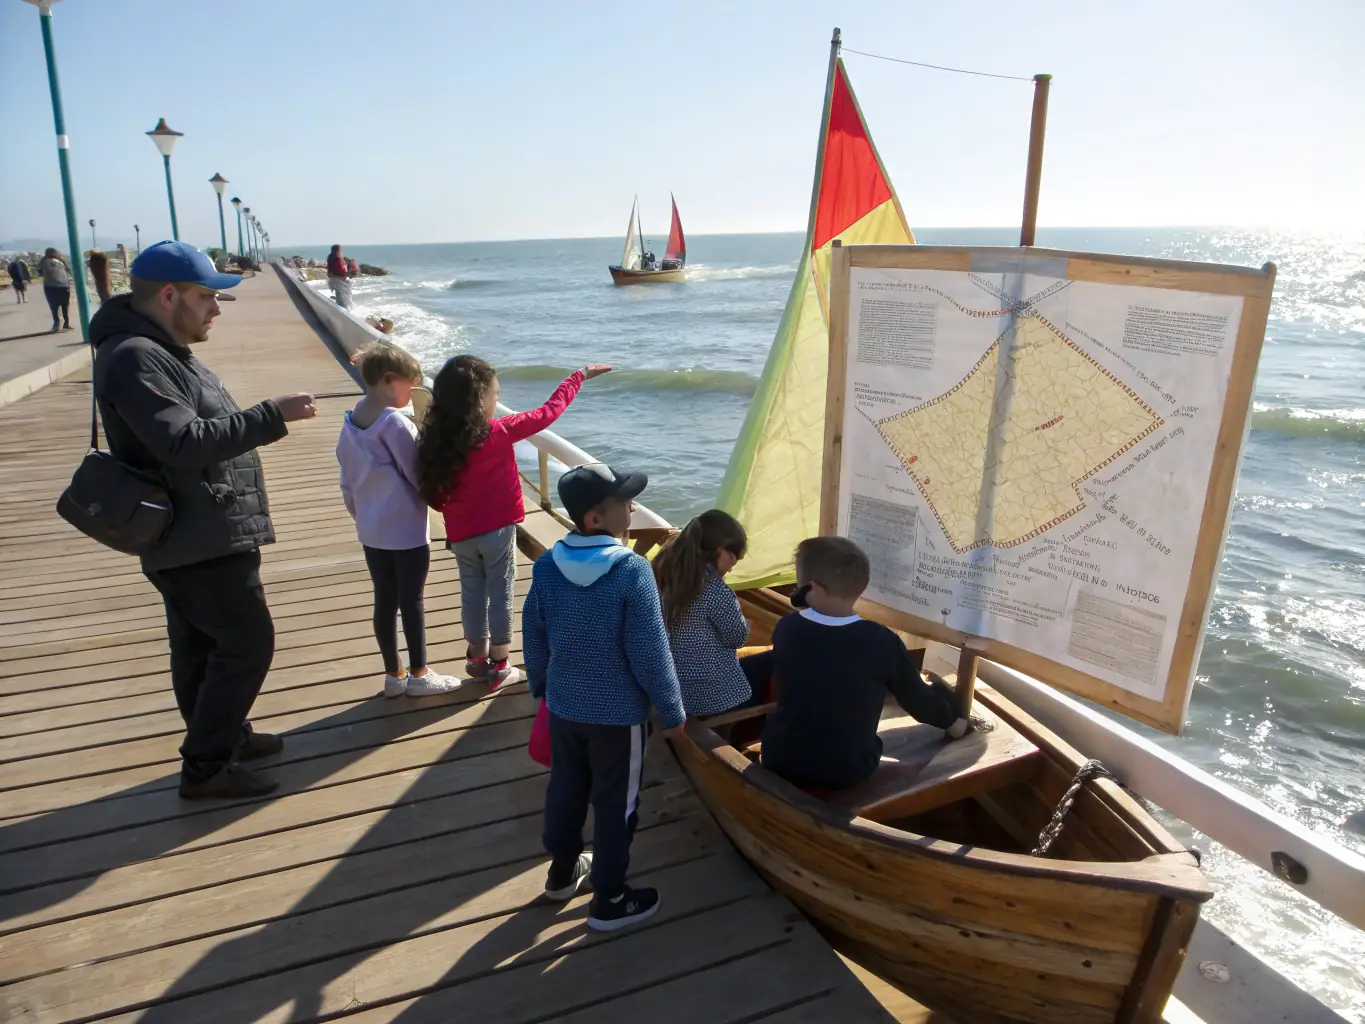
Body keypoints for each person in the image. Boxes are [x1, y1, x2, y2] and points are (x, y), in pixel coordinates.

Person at [91, 240, 317, 799]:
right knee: (246, 642)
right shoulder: (136, 358)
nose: (217, 307)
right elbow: (183, 442)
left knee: (201, 644)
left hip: (199, 529)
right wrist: (272, 415)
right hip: (196, 536)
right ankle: (207, 765)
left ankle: (222, 738)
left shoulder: (156, 350)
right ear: (169, 296)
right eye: (206, 296)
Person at [523, 463, 686, 931]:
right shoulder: (631, 571)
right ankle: (610, 899)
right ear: (596, 518)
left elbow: (533, 634)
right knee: (619, 805)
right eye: (625, 501)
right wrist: (672, 711)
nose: (633, 506)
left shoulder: (548, 565)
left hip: (564, 707)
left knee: (566, 789)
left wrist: (543, 686)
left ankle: (561, 873)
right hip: (618, 718)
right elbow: (651, 653)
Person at [417, 356, 612, 689]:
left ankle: (476, 657)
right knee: (501, 592)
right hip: (497, 531)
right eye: (495, 394)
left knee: (472, 593)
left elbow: (431, 492)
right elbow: (548, 412)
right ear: (480, 400)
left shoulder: (437, 441)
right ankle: (501, 662)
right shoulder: (499, 432)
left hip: (462, 534)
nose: (497, 400)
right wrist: (577, 377)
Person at [746, 536, 968, 792]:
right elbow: (917, 700)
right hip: (851, 769)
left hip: (781, 759)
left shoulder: (787, 629)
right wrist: (954, 723)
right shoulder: (883, 641)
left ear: (814, 590)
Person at [337, 342, 461, 698]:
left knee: (385, 600)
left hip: (371, 528)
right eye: (411, 386)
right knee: (412, 601)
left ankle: (394, 675)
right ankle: (420, 673)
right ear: (389, 381)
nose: (412, 394)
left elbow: (347, 482)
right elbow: (416, 472)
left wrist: (361, 516)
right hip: (405, 530)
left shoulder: (351, 421)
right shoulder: (393, 423)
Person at [653, 509, 753, 717]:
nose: (733, 567)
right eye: (736, 556)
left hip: (669, 682)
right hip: (708, 692)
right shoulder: (715, 590)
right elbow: (737, 637)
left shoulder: (664, 569)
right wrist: (747, 622)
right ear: (720, 551)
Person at [39, 247, 72, 331]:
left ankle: (65, 323)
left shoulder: (61, 261)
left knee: (63, 305)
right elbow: (39, 270)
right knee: (55, 306)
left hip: (61, 285)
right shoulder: (44, 261)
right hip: (53, 286)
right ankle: (58, 324)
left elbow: (69, 269)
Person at [326, 244, 354, 309]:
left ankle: (340, 307)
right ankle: (345, 309)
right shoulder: (337, 258)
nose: (341, 250)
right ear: (338, 250)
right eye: (340, 249)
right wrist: (345, 274)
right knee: (344, 295)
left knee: (339, 294)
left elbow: (331, 270)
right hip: (340, 279)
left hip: (334, 279)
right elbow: (340, 269)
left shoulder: (330, 257)